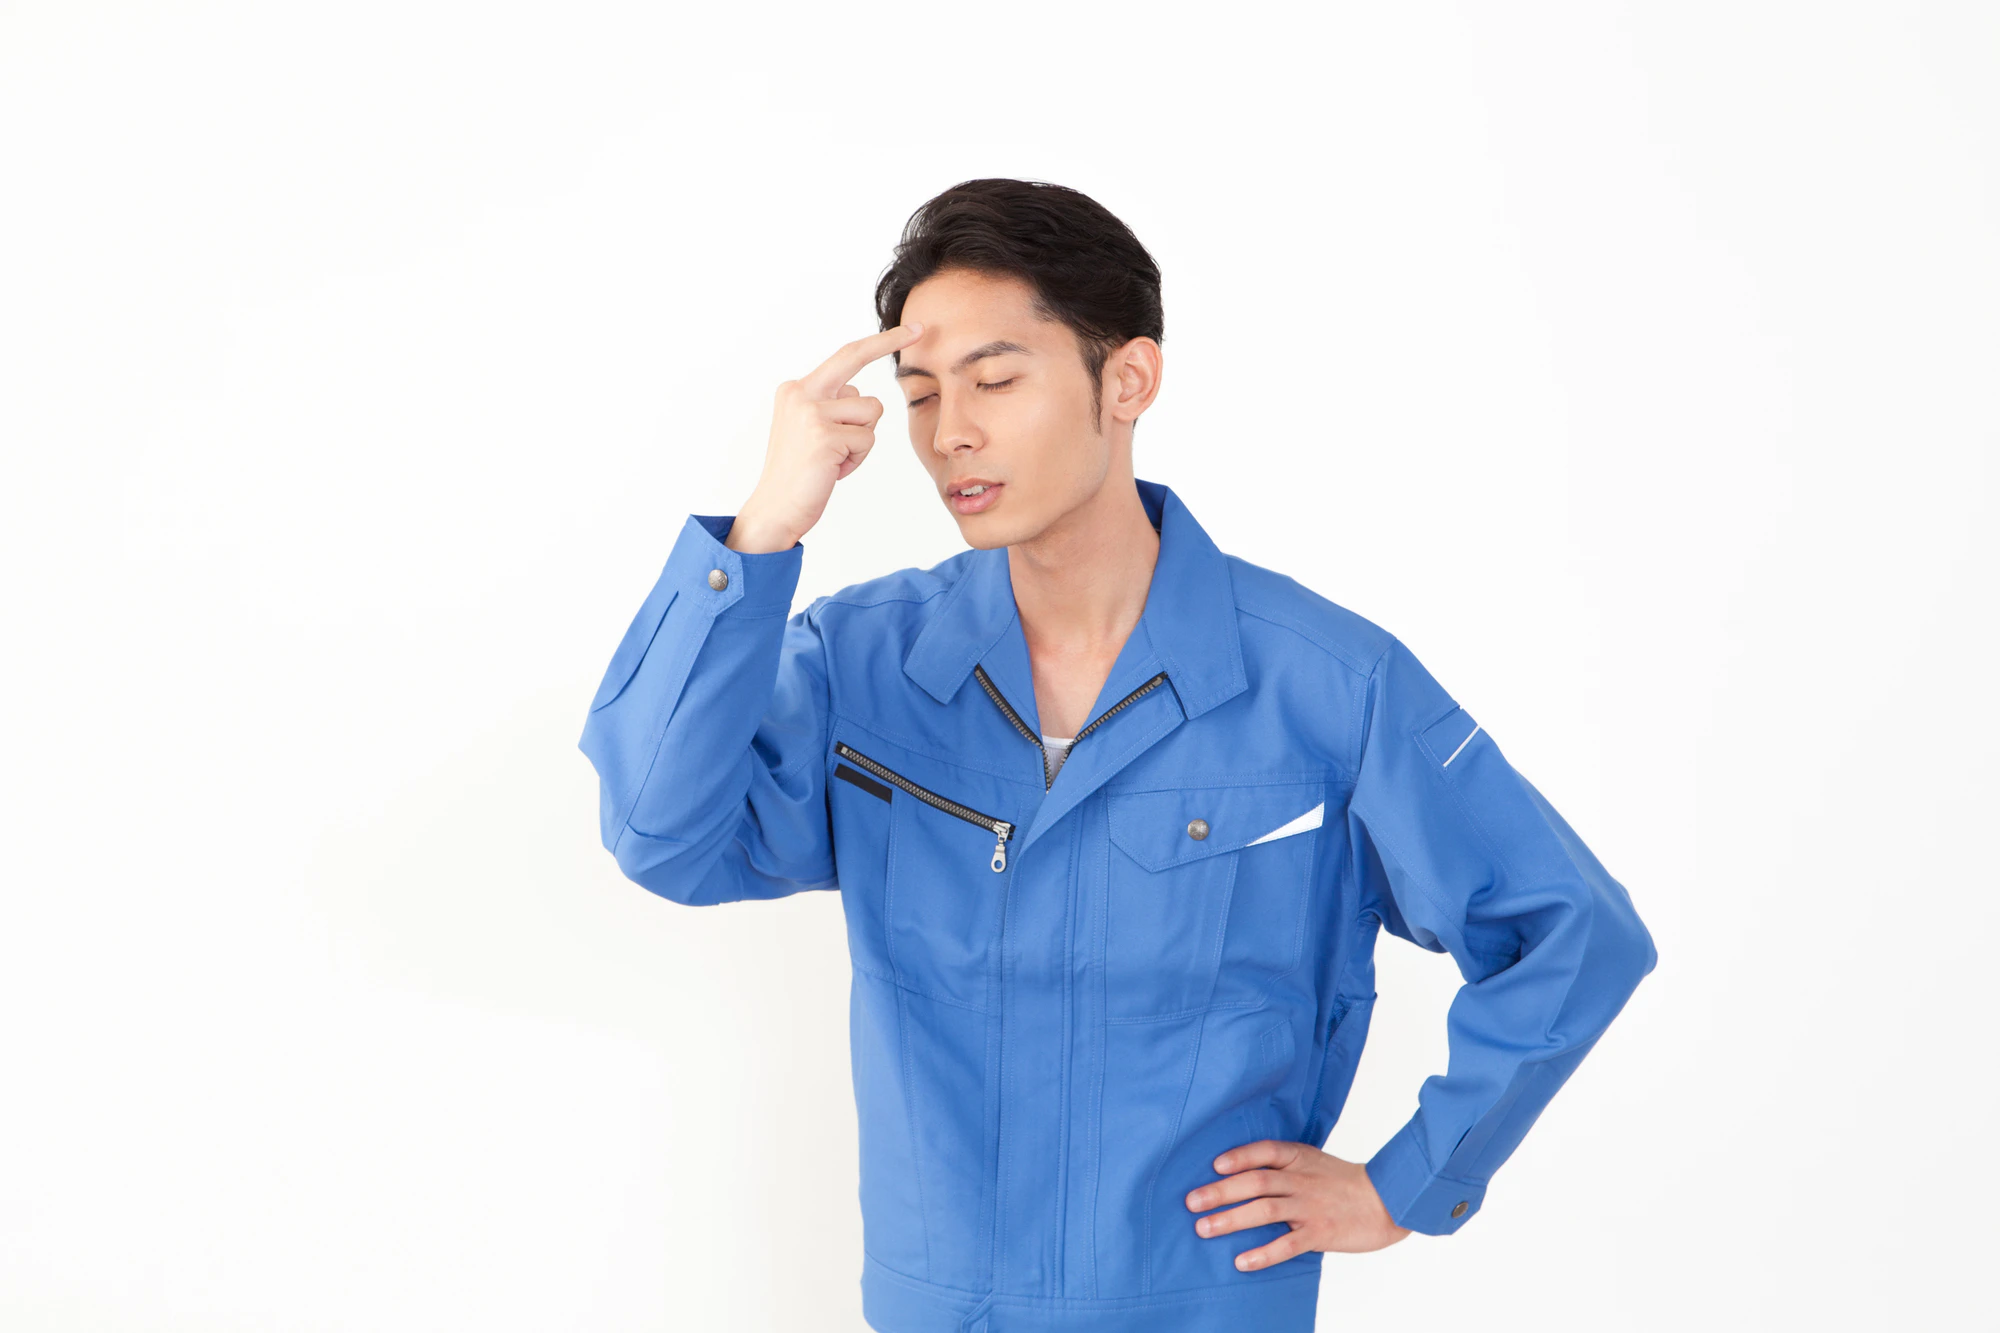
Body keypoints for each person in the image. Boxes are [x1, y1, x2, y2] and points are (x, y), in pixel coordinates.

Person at [579, 178, 1658, 1333]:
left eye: (994, 380)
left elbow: (1570, 931)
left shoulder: (1324, 684)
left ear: (1127, 380)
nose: (948, 434)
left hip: (1200, 1306)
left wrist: (1408, 1183)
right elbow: (660, 837)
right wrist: (759, 534)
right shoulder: (865, 663)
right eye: (920, 393)